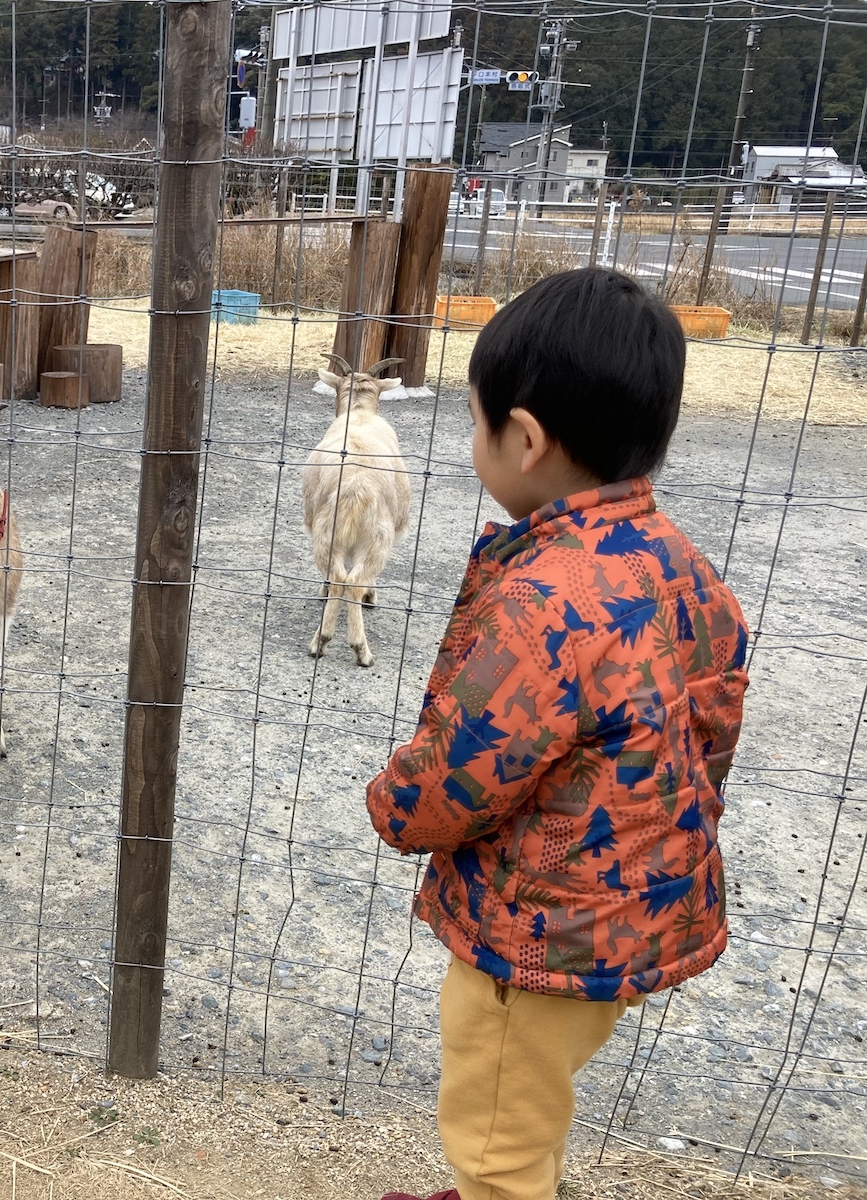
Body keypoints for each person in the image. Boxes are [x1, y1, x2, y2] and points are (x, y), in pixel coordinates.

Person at [367, 268, 750, 1200]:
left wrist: (393, 802)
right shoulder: (683, 570)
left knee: (496, 1127)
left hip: (537, 939)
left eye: (474, 422)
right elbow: (710, 731)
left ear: (526, 440)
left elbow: (457, 773)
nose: (473, 443)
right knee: (530, 1101)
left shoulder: (546, 606)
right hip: (625, 916)